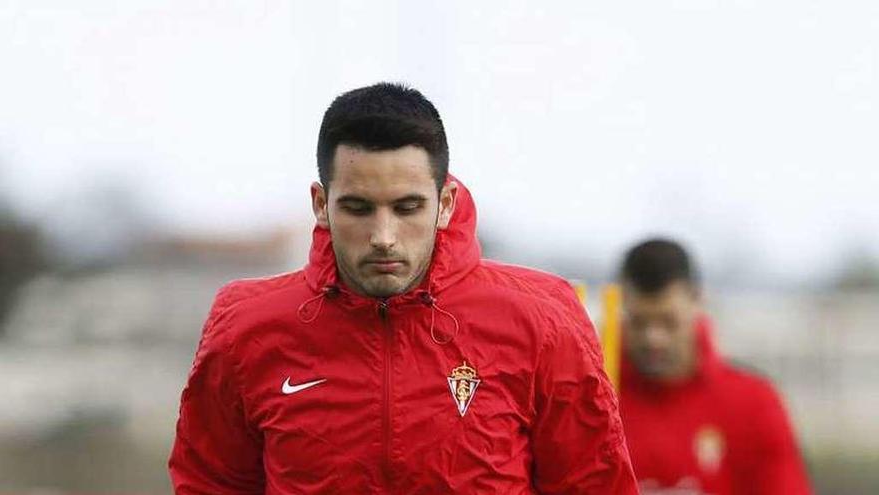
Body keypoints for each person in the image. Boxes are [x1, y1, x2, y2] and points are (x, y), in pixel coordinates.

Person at [168, 82, 638, 493]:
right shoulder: (245, 327)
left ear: (445, 203)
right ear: (320, 203)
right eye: (358, 208)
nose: (384, 236)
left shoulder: (543, 320)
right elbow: (210, 484)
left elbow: (593, 485)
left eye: (408, 207)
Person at [616, 238, 812, 494]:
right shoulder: (593, 401)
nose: (654, 338)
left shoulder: (754, 402)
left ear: (697, 301)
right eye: (639, 322)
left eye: (668, 321)